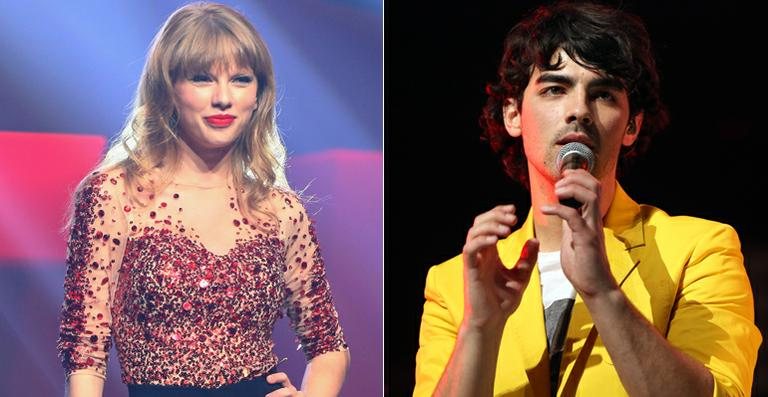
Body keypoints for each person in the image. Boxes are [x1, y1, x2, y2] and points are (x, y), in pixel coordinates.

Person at [414, 2, 761, 396]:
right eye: (555, 89)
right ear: (513, 113)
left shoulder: (700, 249)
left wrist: (603, 292)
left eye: (604, 94)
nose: (578, 110)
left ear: (631, 125)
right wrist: (480, 328)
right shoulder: (451, 283)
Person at [56, 3, 350, 396]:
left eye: (241, 79)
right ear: (168, 89)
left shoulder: (280, 210)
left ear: (259, 95)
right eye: (202, 78)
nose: (224, 98)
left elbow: (328, 343)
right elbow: (85, 348)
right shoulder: (115, 196)